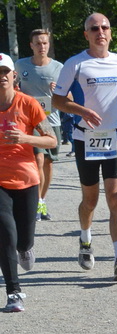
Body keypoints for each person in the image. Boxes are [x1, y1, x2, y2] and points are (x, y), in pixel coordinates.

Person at [52, 14, 117, 280]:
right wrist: (82, 111)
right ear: (86, 34)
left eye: (104, 27)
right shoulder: (75, 64)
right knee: (91, 200)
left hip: (114, 137)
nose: (100, 32)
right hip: (85, 137)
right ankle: (86, 240)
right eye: (94, 28)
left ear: (110, 33)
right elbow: (57, 100)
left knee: (116, 198)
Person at [0, 53, 57, 311]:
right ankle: (14, 292)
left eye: (4, 72)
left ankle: (26, 247)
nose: (1, 77)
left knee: (23, 239)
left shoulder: (29, 104)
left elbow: (52, 140)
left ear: (13, 76)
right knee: (6, 235)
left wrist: (25, 139)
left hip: (27, 178)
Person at [15, 29, 64, 219]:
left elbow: (69, 96)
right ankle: (36, 202)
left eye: (44, 43)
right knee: (38, 159)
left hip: (51, 121)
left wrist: (58, 90)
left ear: (49, 45)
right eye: (38, 43)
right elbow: (10, 86)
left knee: (49, 164)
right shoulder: (20, 65)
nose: (41, 46)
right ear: (31, 46)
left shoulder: (59, 68)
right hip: (29, 122)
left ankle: (42, 200)